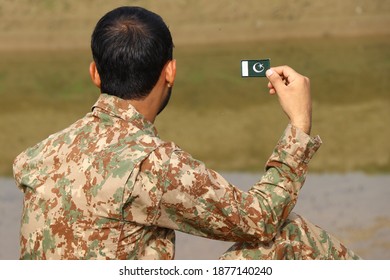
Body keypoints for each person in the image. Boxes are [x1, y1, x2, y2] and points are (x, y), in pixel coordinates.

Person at [13, 6, 360, 260]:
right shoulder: (152, 164)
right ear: (171, 72)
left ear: (95, 73)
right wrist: (299, 124)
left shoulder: (38, 154)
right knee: (289, 234)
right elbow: (260, 219)